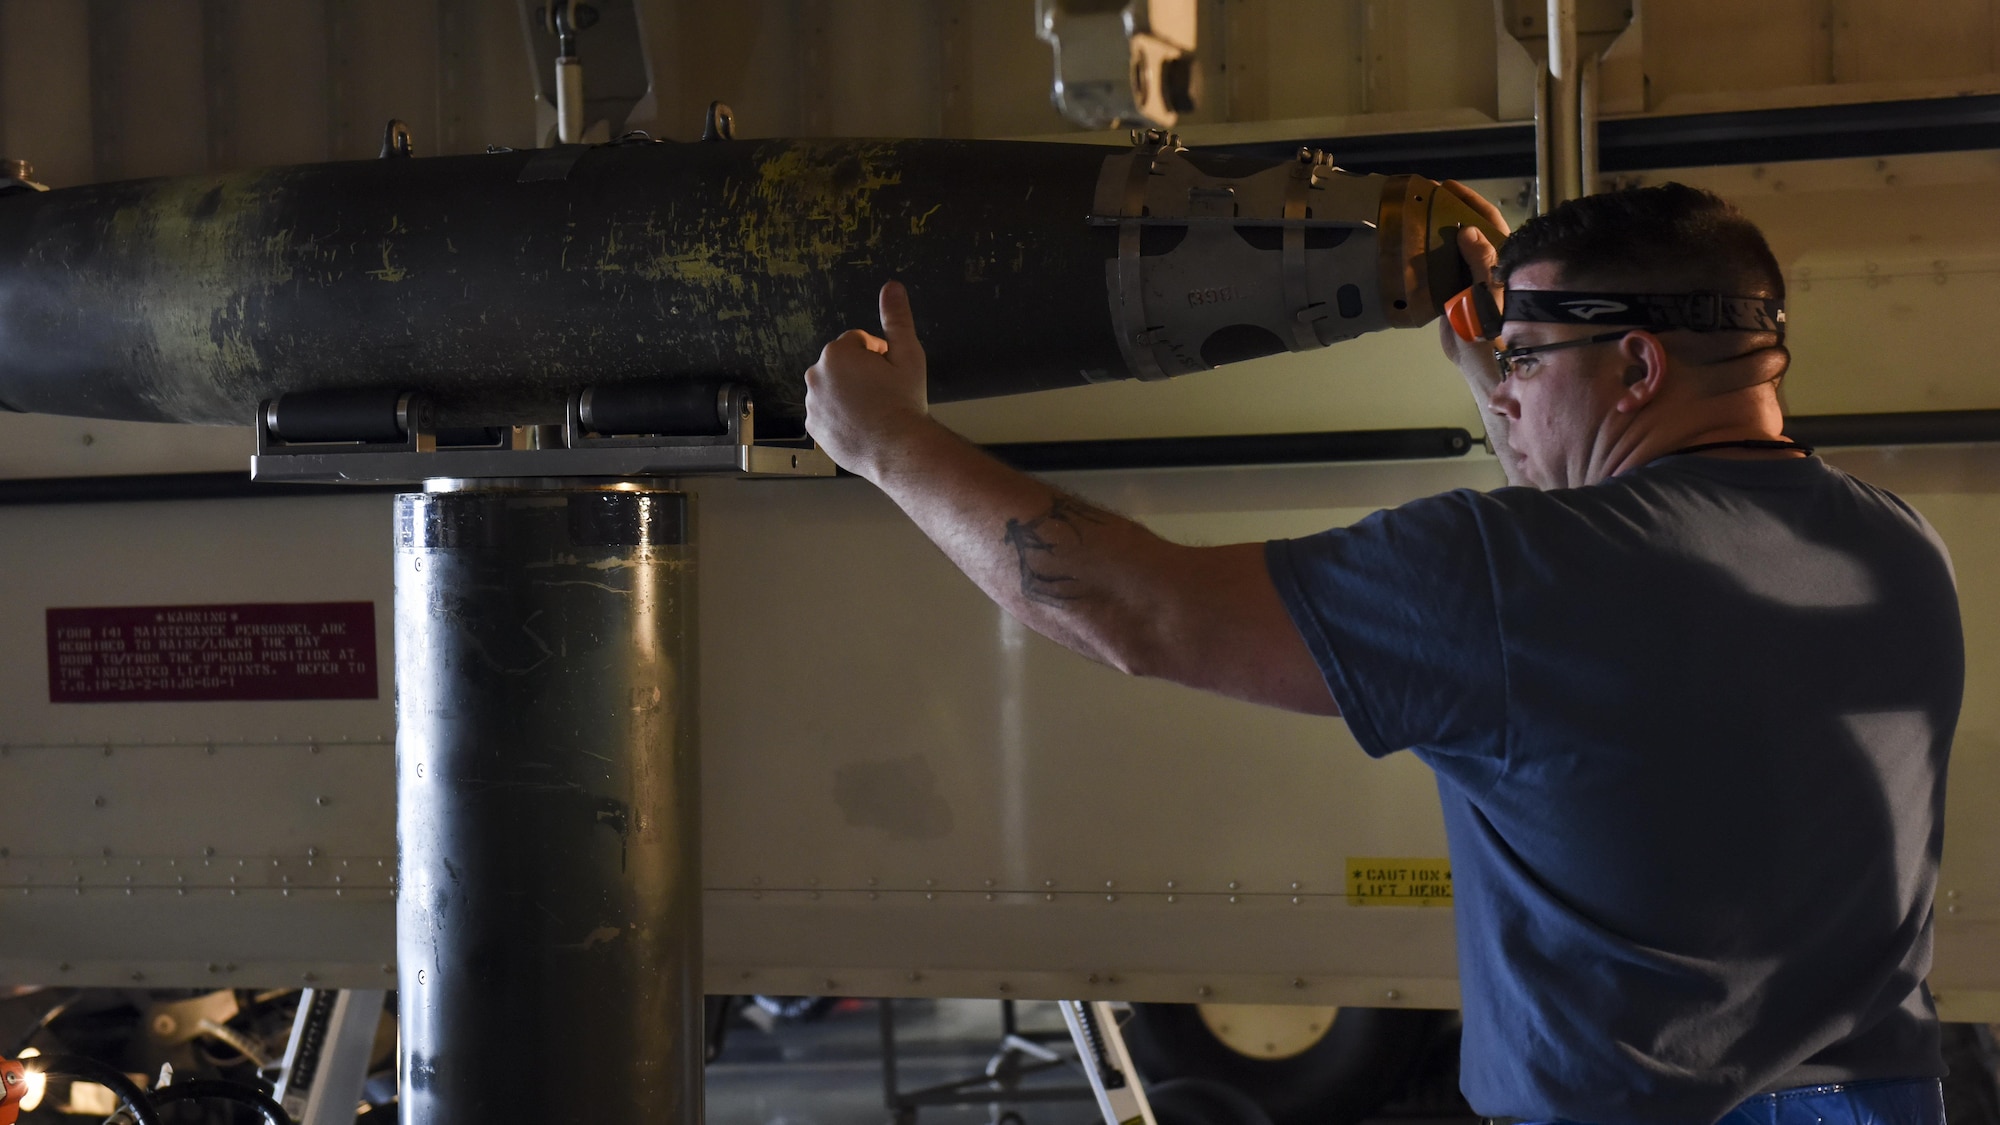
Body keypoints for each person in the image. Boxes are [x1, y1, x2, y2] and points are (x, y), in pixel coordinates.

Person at [801, 183, 1962, 1125]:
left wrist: (888, 442)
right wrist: (1503, 376)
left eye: (1523, 360)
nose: (1505, 393)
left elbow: (1135, 610)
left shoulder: (1509, 576)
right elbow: (1621, 560)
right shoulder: (1896, 551)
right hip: (1877, 1100)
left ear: (1638, 368)